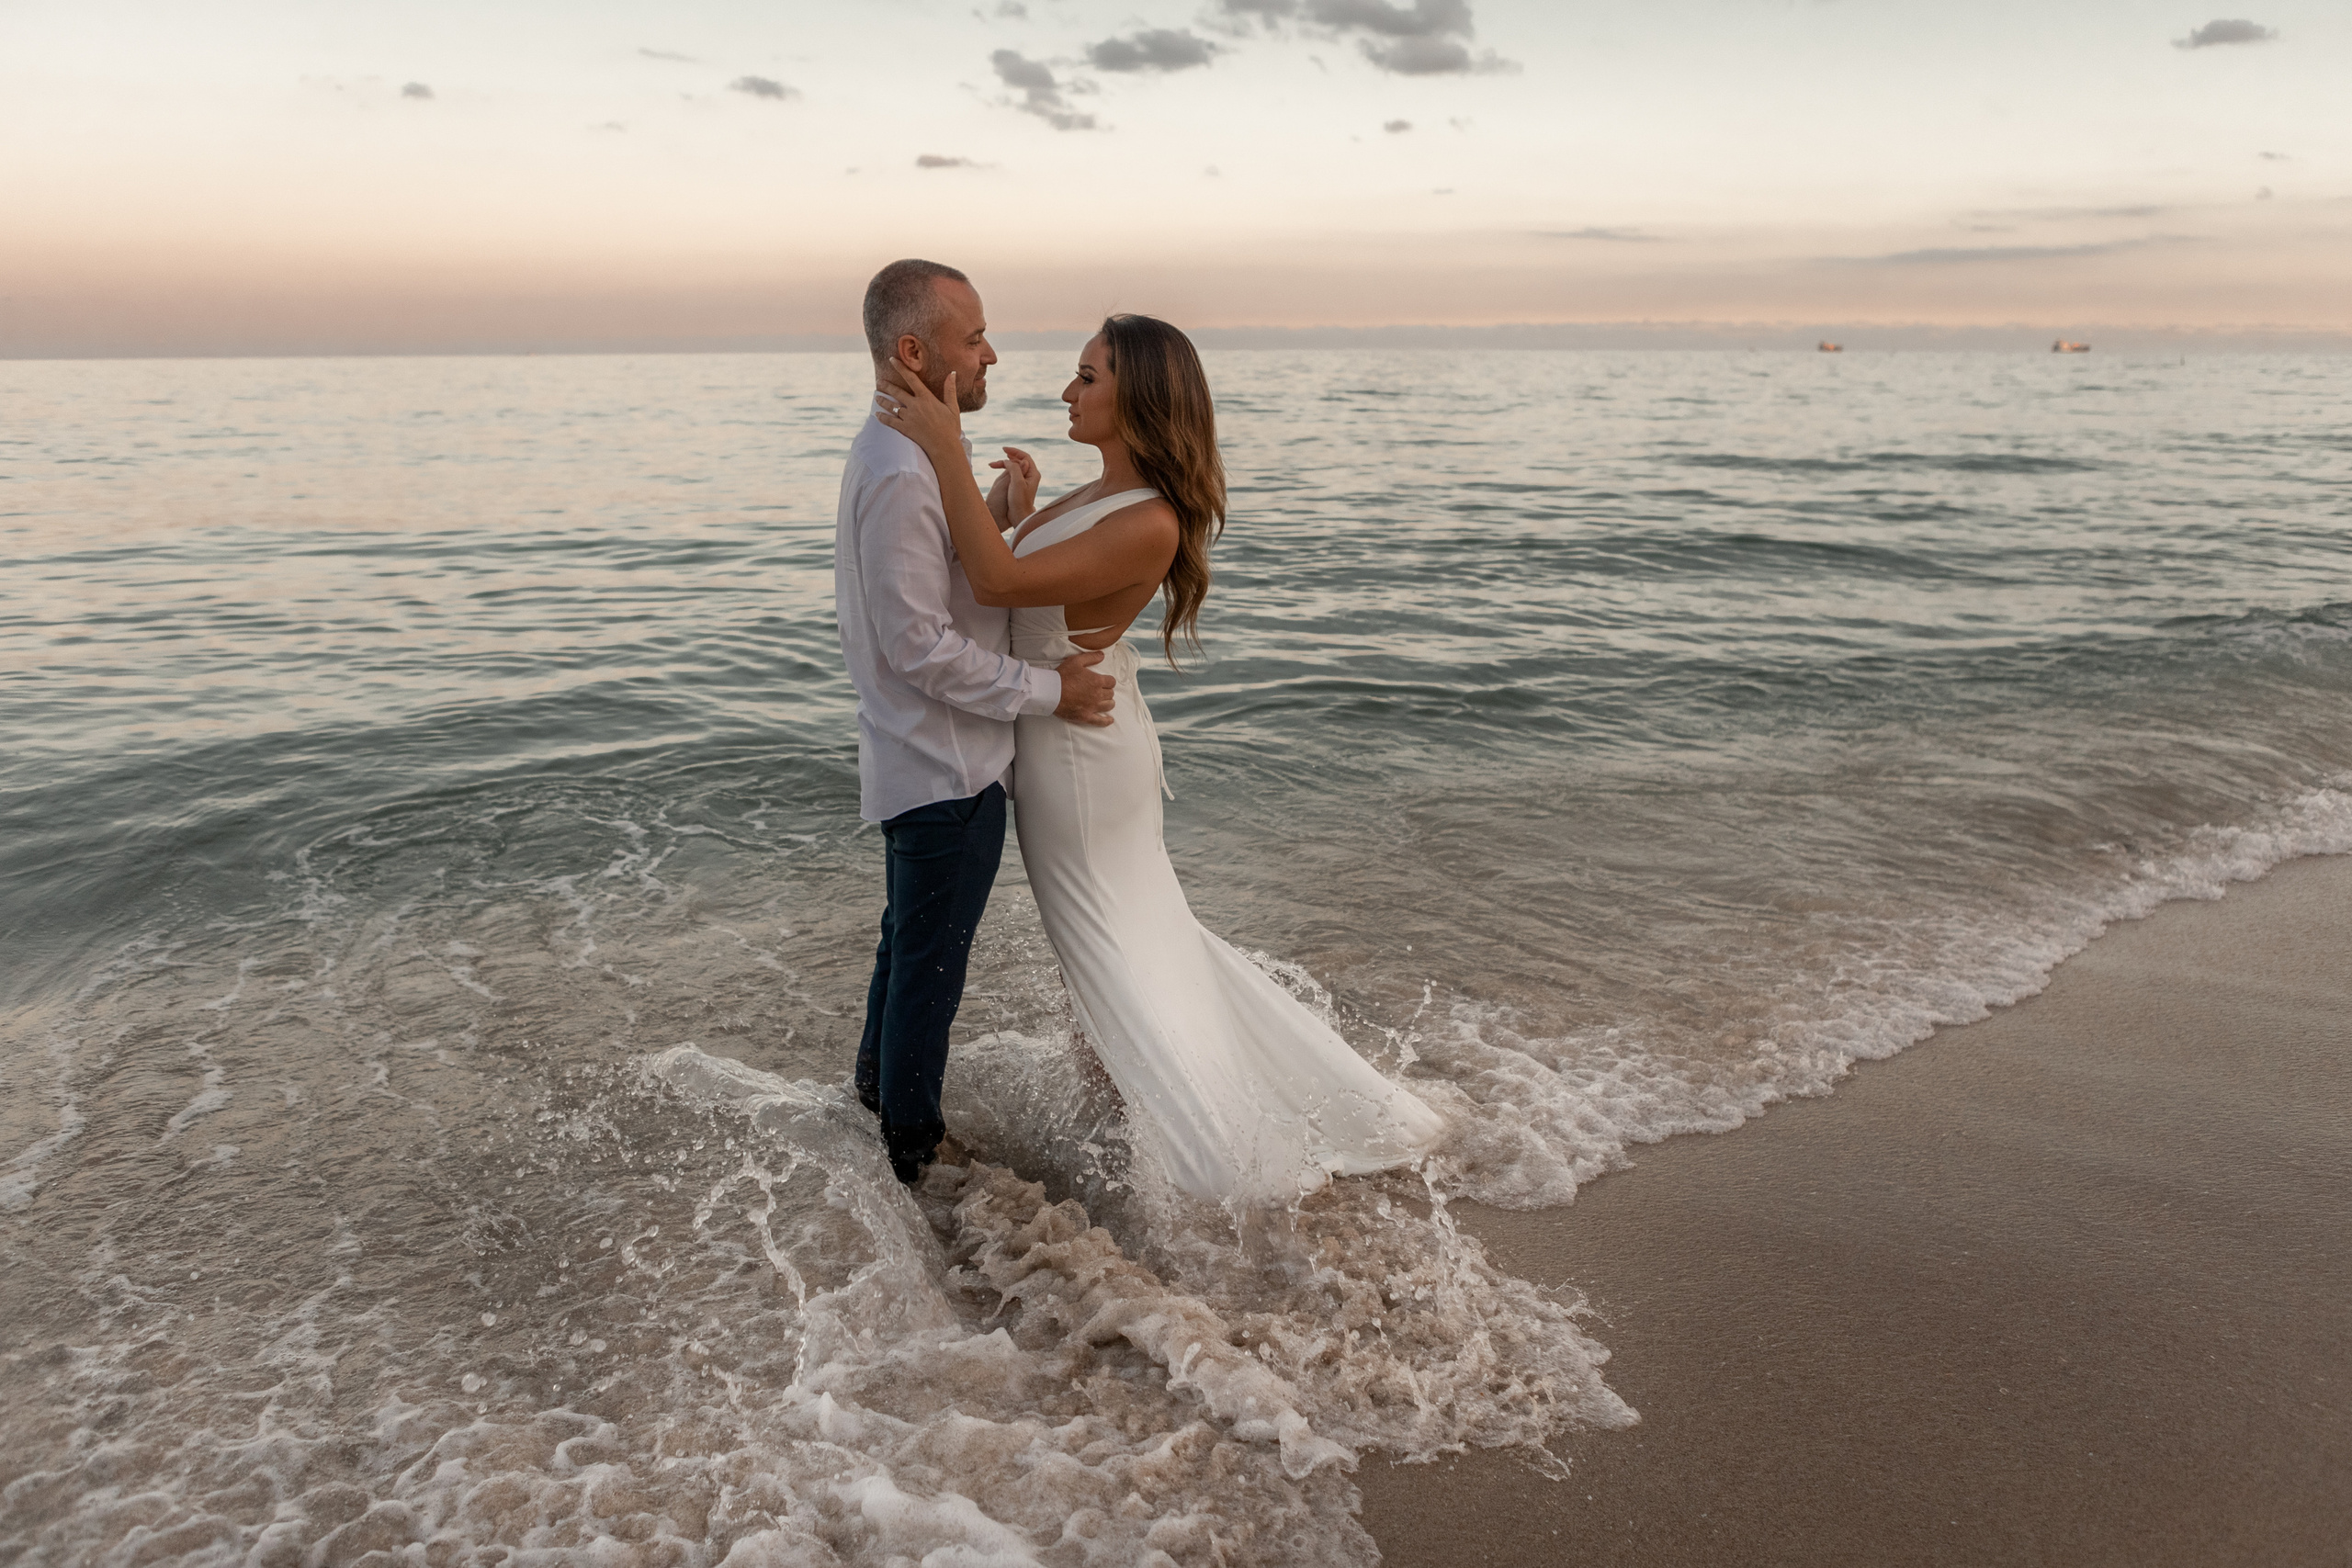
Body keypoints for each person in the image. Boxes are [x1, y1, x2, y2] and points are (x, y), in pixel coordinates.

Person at [875, 313, 1446, 1207]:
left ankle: (1208, 1165)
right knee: (1116, 949)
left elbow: (996, 585)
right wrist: (1014, 512)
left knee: (1113, 944)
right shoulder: (1094, 495)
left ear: (1138, 397)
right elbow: (1021, 577)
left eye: (1087, 377)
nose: (1068, 391)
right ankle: (1132, 1124)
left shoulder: (1152, 521)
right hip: (1068, 742)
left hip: (1080, 764)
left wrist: (946, 446)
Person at [835, 259, 1117, 1186]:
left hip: (927, 762)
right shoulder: (900, 471)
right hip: (946, 769)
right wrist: (1052, 695)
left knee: (906, 946)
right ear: (914, 352)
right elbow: (917, 645)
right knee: (930, 967)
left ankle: (876, 1103)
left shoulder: (909, 456)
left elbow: (939, 599)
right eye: (973, 339)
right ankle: (915, 1152)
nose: (991, 353)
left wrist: (997, 513)